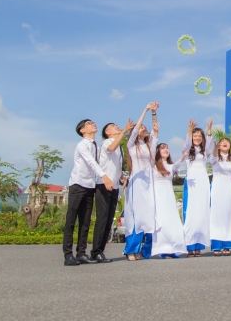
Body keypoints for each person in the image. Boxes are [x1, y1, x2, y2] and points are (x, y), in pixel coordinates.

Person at [63, 119, 114, 266]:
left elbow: (100, 162)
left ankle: (81, 253)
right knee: (71, 221)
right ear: (82, 130)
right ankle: (68, 255)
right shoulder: (82, 145)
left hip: (90, 186)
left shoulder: (96, 145)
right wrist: (104, 177)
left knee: (85, 221)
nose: (94, 124)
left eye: (93, 123)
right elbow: (92, 162)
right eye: (89, 124)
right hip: (77, 185)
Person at [90, 119, 133, 263]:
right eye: (113, 127)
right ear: (107, 133)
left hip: (114, 186)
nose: (117, 127)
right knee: (102, 219)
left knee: (108, 220)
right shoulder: (108, 143)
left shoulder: (119, 146)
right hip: (103, 185)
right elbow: (111, 149)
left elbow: (117, 165)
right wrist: (125, 131)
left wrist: (122, 177)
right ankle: (95, 252)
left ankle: (100, 251)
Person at [123, 102, 159, 261]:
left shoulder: (148, 145)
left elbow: (156, 130)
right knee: (137, 217)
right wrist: (145, 109)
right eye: (141, 128)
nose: (144, 129)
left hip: (149, 184)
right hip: (136, 184)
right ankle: (131, 250)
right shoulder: (132, 145)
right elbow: (136, 128)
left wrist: (154, 113)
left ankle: (145, 251)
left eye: (145, 127)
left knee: (149, 216)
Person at [181, 119, 213, 257]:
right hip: (191, 181)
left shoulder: (205, 151)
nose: (197, 138)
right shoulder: (188, 150)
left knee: (201, 213)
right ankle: (189, 244)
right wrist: (189, 130)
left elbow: (211, 147)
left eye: (200, 136)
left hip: (203, 181)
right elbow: (187, 143)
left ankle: (198, 245)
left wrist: (209, 130)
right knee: (190, 213)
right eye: (195, 136)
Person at [150, 146, 187, 259]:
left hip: (169, 196)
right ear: (157, 151)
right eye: (162, 148)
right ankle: (162, 249)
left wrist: (183, 157)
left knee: (172, 221)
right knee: (161, 222)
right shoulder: (152, 165)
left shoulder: (170, 166)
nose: (166, 150)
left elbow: (176, 165)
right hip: (157, 196)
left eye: (167, 148)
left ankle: (173, 248)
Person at [209, 138, 231, 256]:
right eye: (222, 142)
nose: (225, 142)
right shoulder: (215, 157)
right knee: (216, 215)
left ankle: (227, 244)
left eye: (227, 141)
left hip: (229, 188)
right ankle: (216, 245)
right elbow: (212, 158)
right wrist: (215, 148)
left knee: (229, 214)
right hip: (217, 187)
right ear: (219, 146)